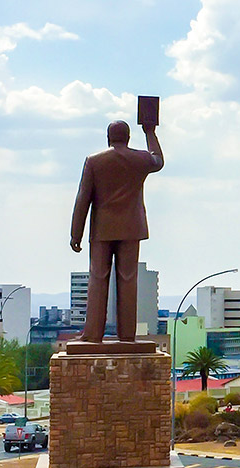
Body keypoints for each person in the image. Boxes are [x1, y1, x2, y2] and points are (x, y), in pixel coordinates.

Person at [70, 120, 163, 342]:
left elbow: (83, 198)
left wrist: (76, 233)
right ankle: (127, 336)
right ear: (128, 137)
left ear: (108, 137)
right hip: (131, 228)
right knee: (128, 280)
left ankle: (92, 335)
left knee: (98, 278)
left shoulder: (94, 161)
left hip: (102, 229)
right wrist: (150, 132)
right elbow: (158, 160)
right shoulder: (140, 159)